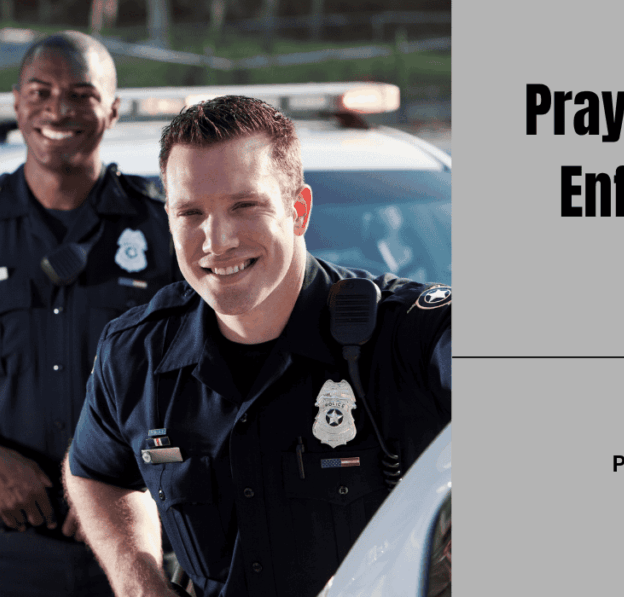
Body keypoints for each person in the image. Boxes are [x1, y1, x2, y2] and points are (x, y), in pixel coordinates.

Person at [64, 96, 452, 597]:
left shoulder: (405, 336)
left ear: (299, 210)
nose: (216, 240)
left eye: (244, 206)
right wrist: (139, 582)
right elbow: (95, 472)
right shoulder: (135, 352)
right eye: (192, 212)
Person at [0, 31, 179, 596]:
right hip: (6, 552)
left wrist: (135, 472)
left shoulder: (165, 232)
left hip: (139, 546)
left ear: (112, 109)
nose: (58, 110)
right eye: (41, 92)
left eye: (80, 94)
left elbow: (216, 382)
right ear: (18, 103)